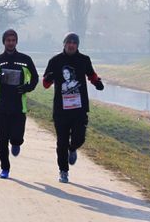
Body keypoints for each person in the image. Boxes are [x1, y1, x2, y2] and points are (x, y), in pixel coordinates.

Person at [43, 32, 104, 183]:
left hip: (79, 108)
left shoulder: (84, 60)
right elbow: (45, 84)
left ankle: (73, 148)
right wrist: (50, 77)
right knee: (61, 142)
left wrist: (97, 83)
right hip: (61, 110)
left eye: (74, 43)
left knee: (79, 138)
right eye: (68, 42)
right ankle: (63, 171)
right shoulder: (55, 61)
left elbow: (91, 74)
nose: (71, 45)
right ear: (64, 44)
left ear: (77, 45)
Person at [0, 29, 39, 179]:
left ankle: (16, 143)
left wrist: (27, 87)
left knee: (16, 138)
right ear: (4, 42)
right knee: (2, 139)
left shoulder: (25, 60)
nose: (11, 43)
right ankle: (5, 168)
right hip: (0, 107)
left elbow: (35, 78)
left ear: (16, 42)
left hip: (18, 107)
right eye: (8, 40)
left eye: (13, 40)